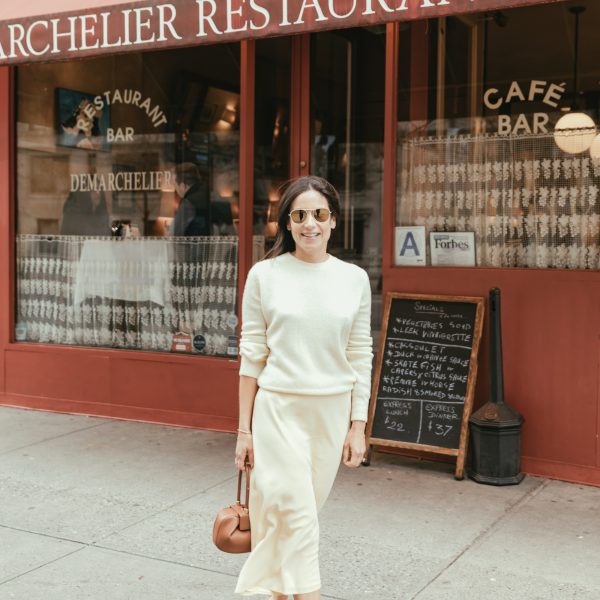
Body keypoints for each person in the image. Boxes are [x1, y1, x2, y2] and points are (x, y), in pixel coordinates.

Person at [234, 176, 373, 599]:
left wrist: (357, 424)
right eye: (299, 215)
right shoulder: (264, 275)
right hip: (278, 412)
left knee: (290, 521)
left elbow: (360, 353)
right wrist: (244, 430)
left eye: (319, 214)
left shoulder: (354, 279)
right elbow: (252, 354)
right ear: (286, 223)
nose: (309, 223)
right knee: (297, 517)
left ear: (334, 221)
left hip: (328, 418)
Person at [171, 163, 210, 236]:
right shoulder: (209, 194)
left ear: (183, 186)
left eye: (175, 186)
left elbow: (176, 235)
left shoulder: (187, 203)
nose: (175, 190)